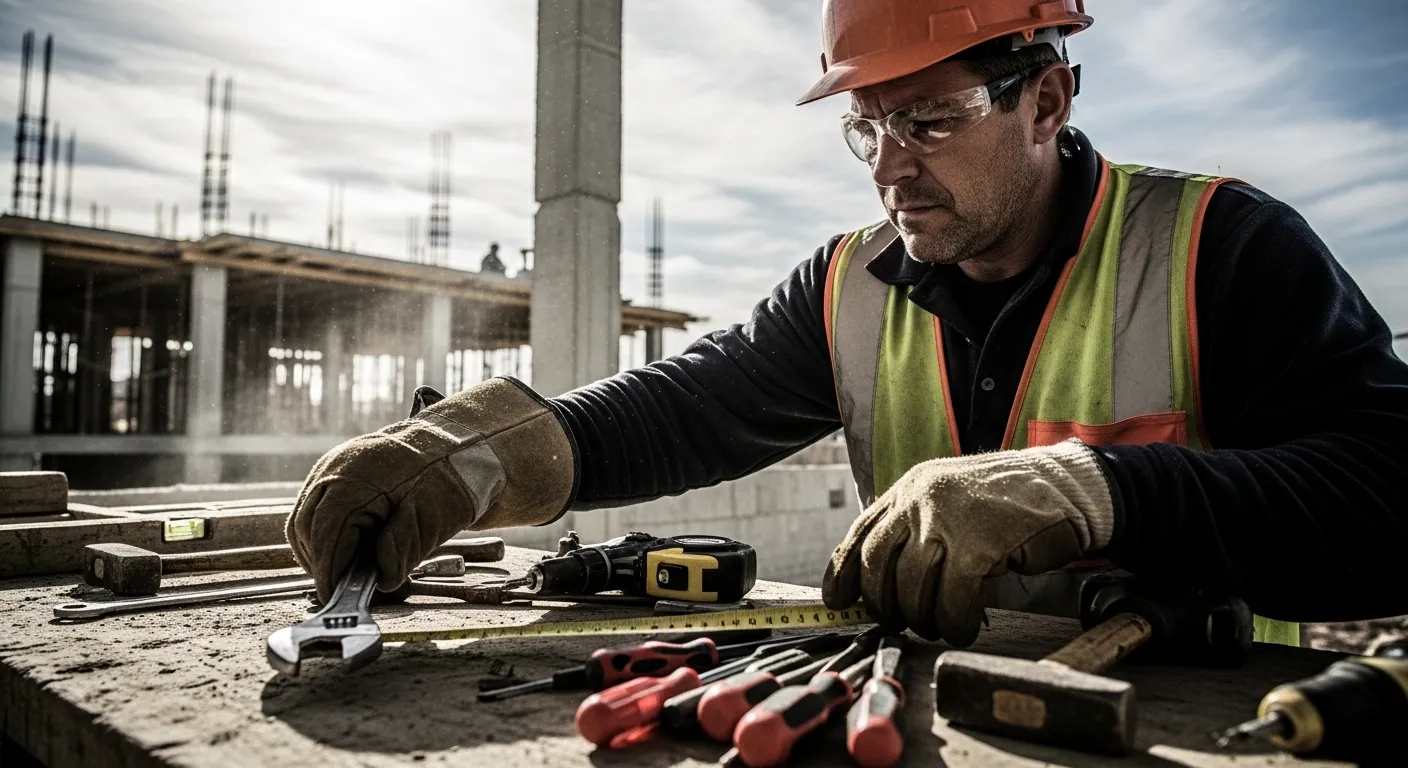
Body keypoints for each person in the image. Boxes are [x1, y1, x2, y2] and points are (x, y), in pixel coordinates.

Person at [286, 0, 1408, 647]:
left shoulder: (1219, 245)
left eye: (927, 119)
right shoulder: (850, 284)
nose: (889, 168)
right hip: (936, 729)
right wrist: (480, 459)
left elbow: (1387, 492)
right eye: (865, 127)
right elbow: (686, 412)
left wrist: (1094, 488)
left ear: (1047, 101)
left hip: (1189, 733)